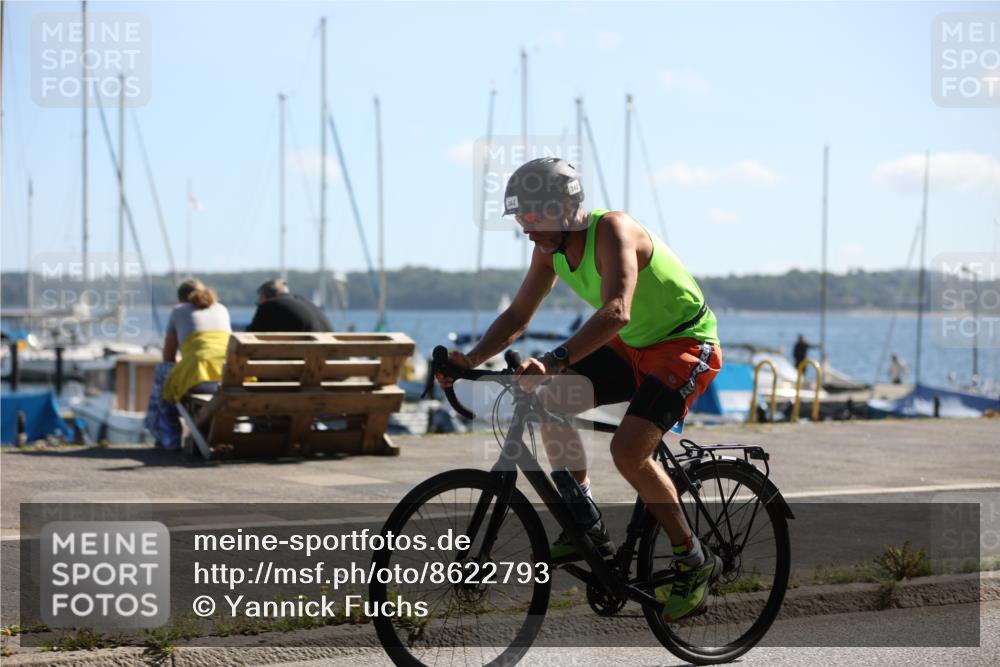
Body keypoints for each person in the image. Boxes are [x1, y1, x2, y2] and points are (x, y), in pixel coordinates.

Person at [436, 157, 722, 622]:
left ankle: (695, 560)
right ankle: (586, 521)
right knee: (549, 401)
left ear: (566, 207)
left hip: (685, 344)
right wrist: (468, 361)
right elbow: (517, 317)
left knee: (629, 452)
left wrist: (552, 360)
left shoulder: (613, 230)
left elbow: (616, 311)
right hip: (631, 349)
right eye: (520, 218)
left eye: (532, 215)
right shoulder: (549, 249)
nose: (526, 228)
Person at [247, 279, 333, 333]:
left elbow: (250, 336)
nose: (259, 304)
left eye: (259, 302)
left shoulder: (269, 305)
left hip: (309, 360)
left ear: (265, 296)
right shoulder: (306, 303)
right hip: (335, 359)